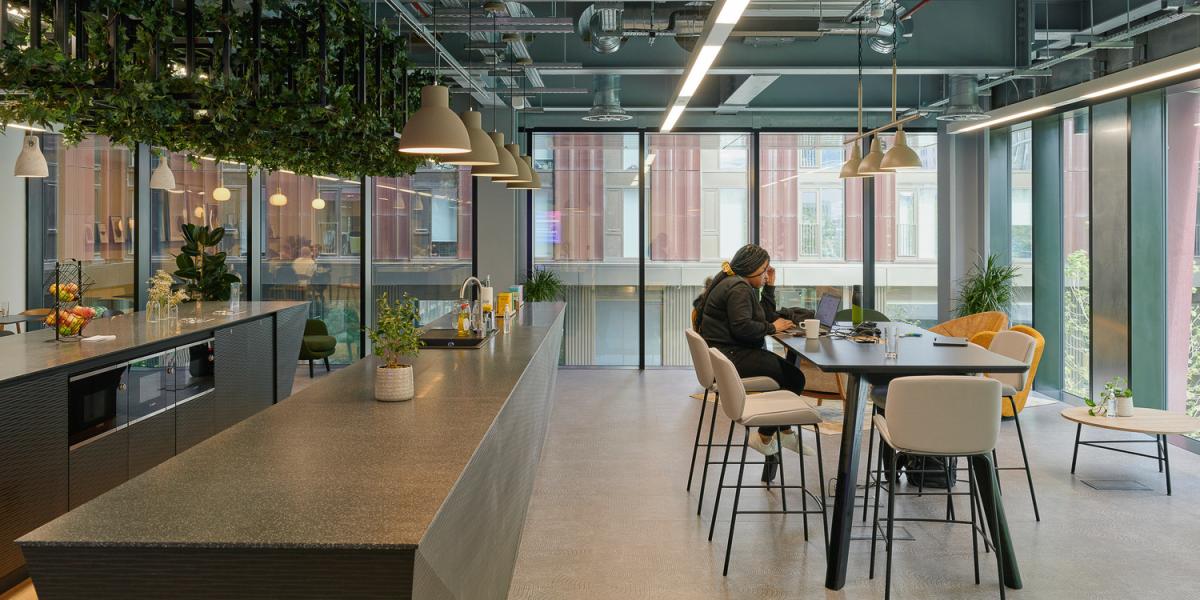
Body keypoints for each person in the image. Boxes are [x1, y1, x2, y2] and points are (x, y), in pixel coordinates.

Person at [694, 244, 813, 478]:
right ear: (751, 270)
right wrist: (772, 327)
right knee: (794, 378)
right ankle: (766, 436)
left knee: (790, 375)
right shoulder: (738, 288)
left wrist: (769, 286)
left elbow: (762, 314)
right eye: (764, 271)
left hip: (725, 356)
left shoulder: (736, 283)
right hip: (732, 358)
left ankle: (784, 431)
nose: (766, 274)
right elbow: (744, 329)